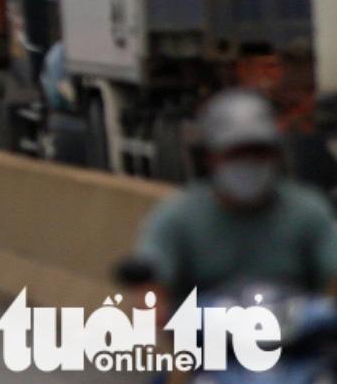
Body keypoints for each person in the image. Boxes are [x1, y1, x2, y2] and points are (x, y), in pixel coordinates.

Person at [128, 89, 337, 303]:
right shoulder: (180, 215)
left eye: (258, 153)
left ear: (275, 155)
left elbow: (331, 262)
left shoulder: (306, 210)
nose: (249, 163)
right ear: (212, 157)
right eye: (236, 154)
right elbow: (153, 273)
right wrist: (153, 305)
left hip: (295, 328)